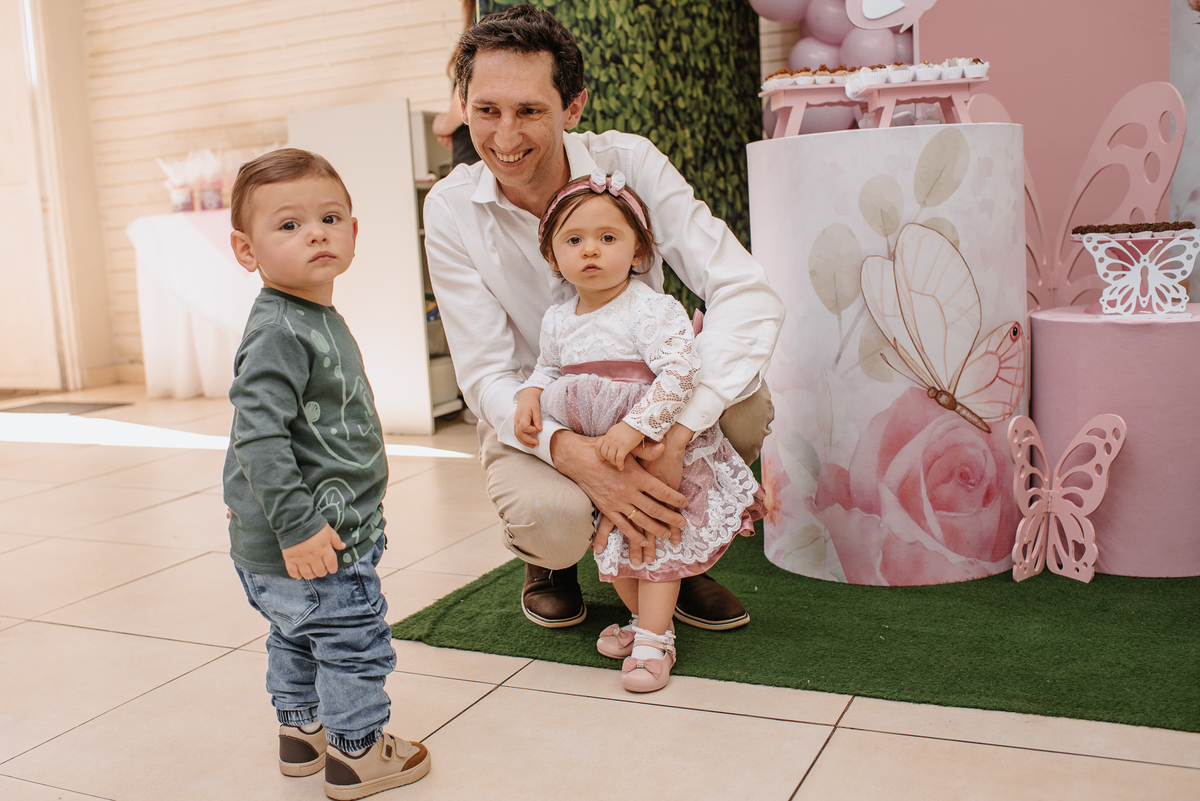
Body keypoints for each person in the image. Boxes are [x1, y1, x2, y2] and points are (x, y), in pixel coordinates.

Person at [423, 4, 783, 632]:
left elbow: (745, 291)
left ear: (573, 108)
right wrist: (571, 452)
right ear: (464, 105)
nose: (504, 136)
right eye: (486, 111)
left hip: (649, 401)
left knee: (745, 409)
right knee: (554, 521)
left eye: (529, 110)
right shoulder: (451, 208)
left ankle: (676, 547)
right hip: (544, 405)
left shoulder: (630, 164)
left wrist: (675, 431)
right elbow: (486, 373)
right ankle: (553, 561)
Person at [224, 148, 430, 800]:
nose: (315, 233)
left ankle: (301, 732)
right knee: (350, 640)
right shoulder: (280, 330)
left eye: (330, 218)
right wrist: (298, 526)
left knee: (295, 633)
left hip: (289, 540)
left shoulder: (306, 315)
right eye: (289, 224)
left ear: (353, 232)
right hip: (316, 539)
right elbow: (257, 436)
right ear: (246, 249)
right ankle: (357, 752)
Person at [516, 170, 762, 691]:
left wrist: (637, 427)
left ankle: (654, 640)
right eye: (573, 240)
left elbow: (681, 372)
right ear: (552, 256)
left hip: (649, 445)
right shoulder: (557, 318)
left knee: (653, 540)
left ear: (638, 251)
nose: (590, 250)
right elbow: (548, 367)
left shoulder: (649, 307)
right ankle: (645, 622)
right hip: (597, 451)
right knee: (613, 542)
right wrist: (530, 394)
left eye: (608, 237)